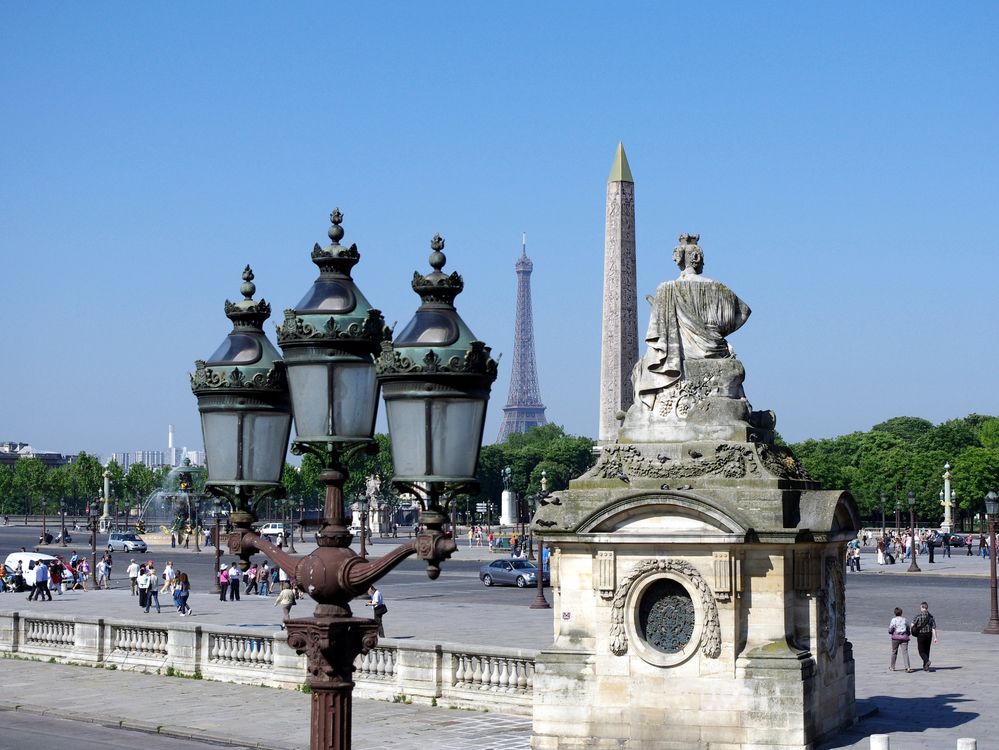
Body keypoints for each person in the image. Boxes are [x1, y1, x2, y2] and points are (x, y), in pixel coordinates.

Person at [910, 601, 939, 671]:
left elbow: (912, 625)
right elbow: (933, 628)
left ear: (923, 608)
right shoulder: (931, 617)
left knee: (921, 651)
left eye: (920, 607)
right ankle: (925, 666)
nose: (920, 609)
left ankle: (927, 661)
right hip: (929, 635)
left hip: (921, 635)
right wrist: (935, 638)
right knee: (927, 650)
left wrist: (913, 630)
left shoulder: (918, 616)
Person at [889, 607, 913, 672]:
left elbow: (890, 629)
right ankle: (907, 667)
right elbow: (908, 628)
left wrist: (891, 633)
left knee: (894, 651)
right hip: (904, 637)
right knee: (905, 652)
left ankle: (892, 667)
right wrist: (907, 634)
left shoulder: (893, 620)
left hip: (895, 638)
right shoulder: (905, 620)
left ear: (895, 613)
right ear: (901, 613)